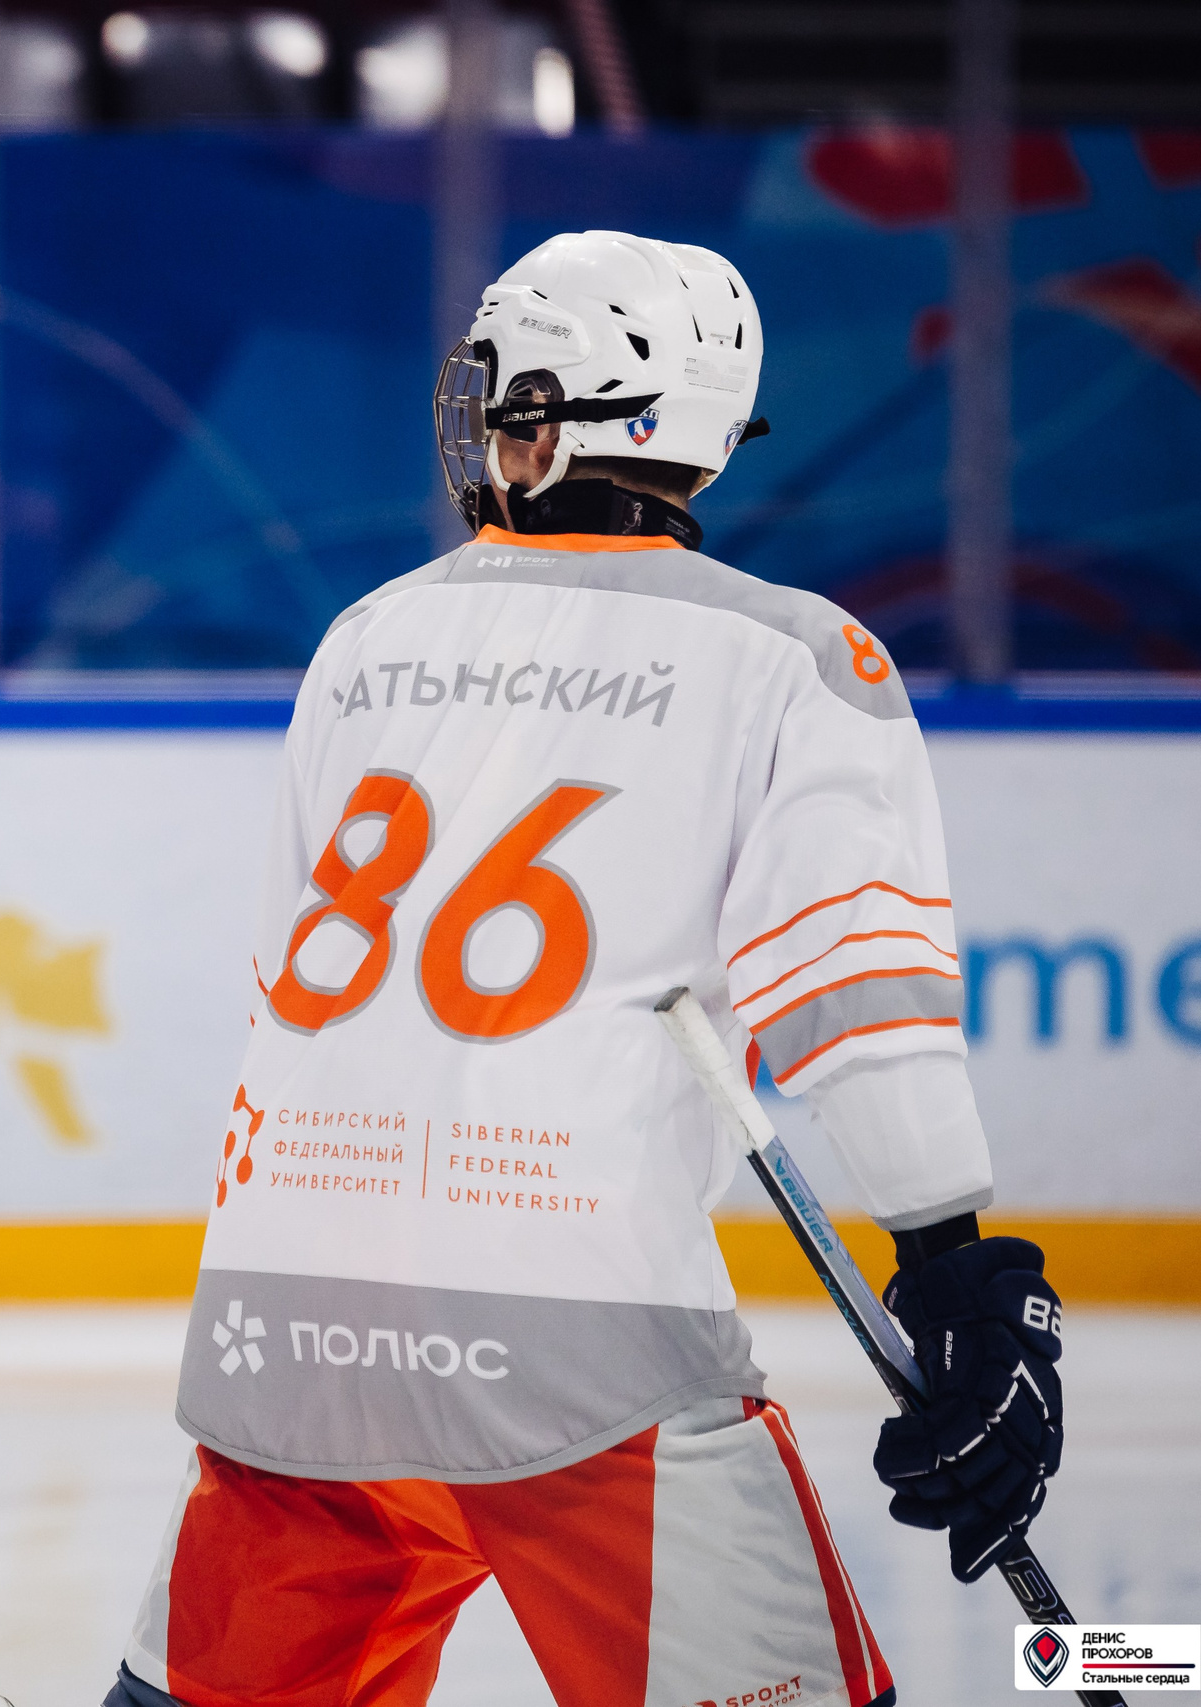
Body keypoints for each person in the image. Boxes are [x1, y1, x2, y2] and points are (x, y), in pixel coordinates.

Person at [105, 230, 1066, 1707]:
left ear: (587, 406)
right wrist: (959, 1274)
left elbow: (287, 985)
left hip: (284, 1316)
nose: (483, 423)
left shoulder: (364, 642)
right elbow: (858, 1005)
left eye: (504, 390)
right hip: (578, 1339)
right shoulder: (795, 657)